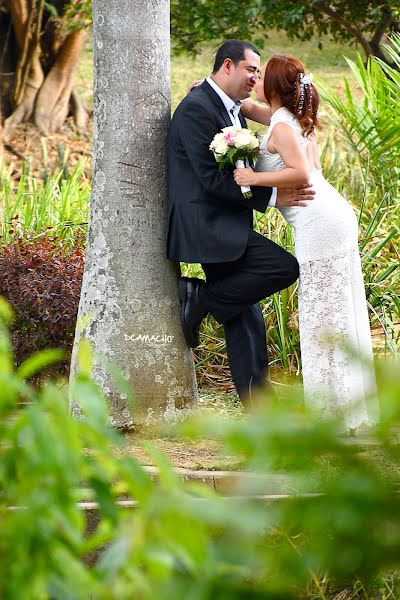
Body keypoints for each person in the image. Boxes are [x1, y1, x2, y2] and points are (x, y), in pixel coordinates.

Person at [233, 55, 379, 430]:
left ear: (274, 88)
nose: (256, 80)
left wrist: (252, 177)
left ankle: (332, 414)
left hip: (320, 221)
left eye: (261, 76)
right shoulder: (287, 119)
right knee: (335, 313)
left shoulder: (283, 127)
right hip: (329, 216)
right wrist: (208, 86)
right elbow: (249, 107)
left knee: (322, 315)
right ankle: (345, 408)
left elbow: (301, 173)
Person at [167, 40, 315, 404]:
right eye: (251, 70)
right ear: (228, 65)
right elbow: (212, 181)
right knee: (282, 268)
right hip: (208, 224)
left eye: (259, 72)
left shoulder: (229, 106)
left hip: (228, 222)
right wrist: (276, 197)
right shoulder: (197, 110)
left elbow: (276, 114)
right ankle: (199, 296)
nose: (255, 77)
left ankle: (257, 405)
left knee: (244, 316)